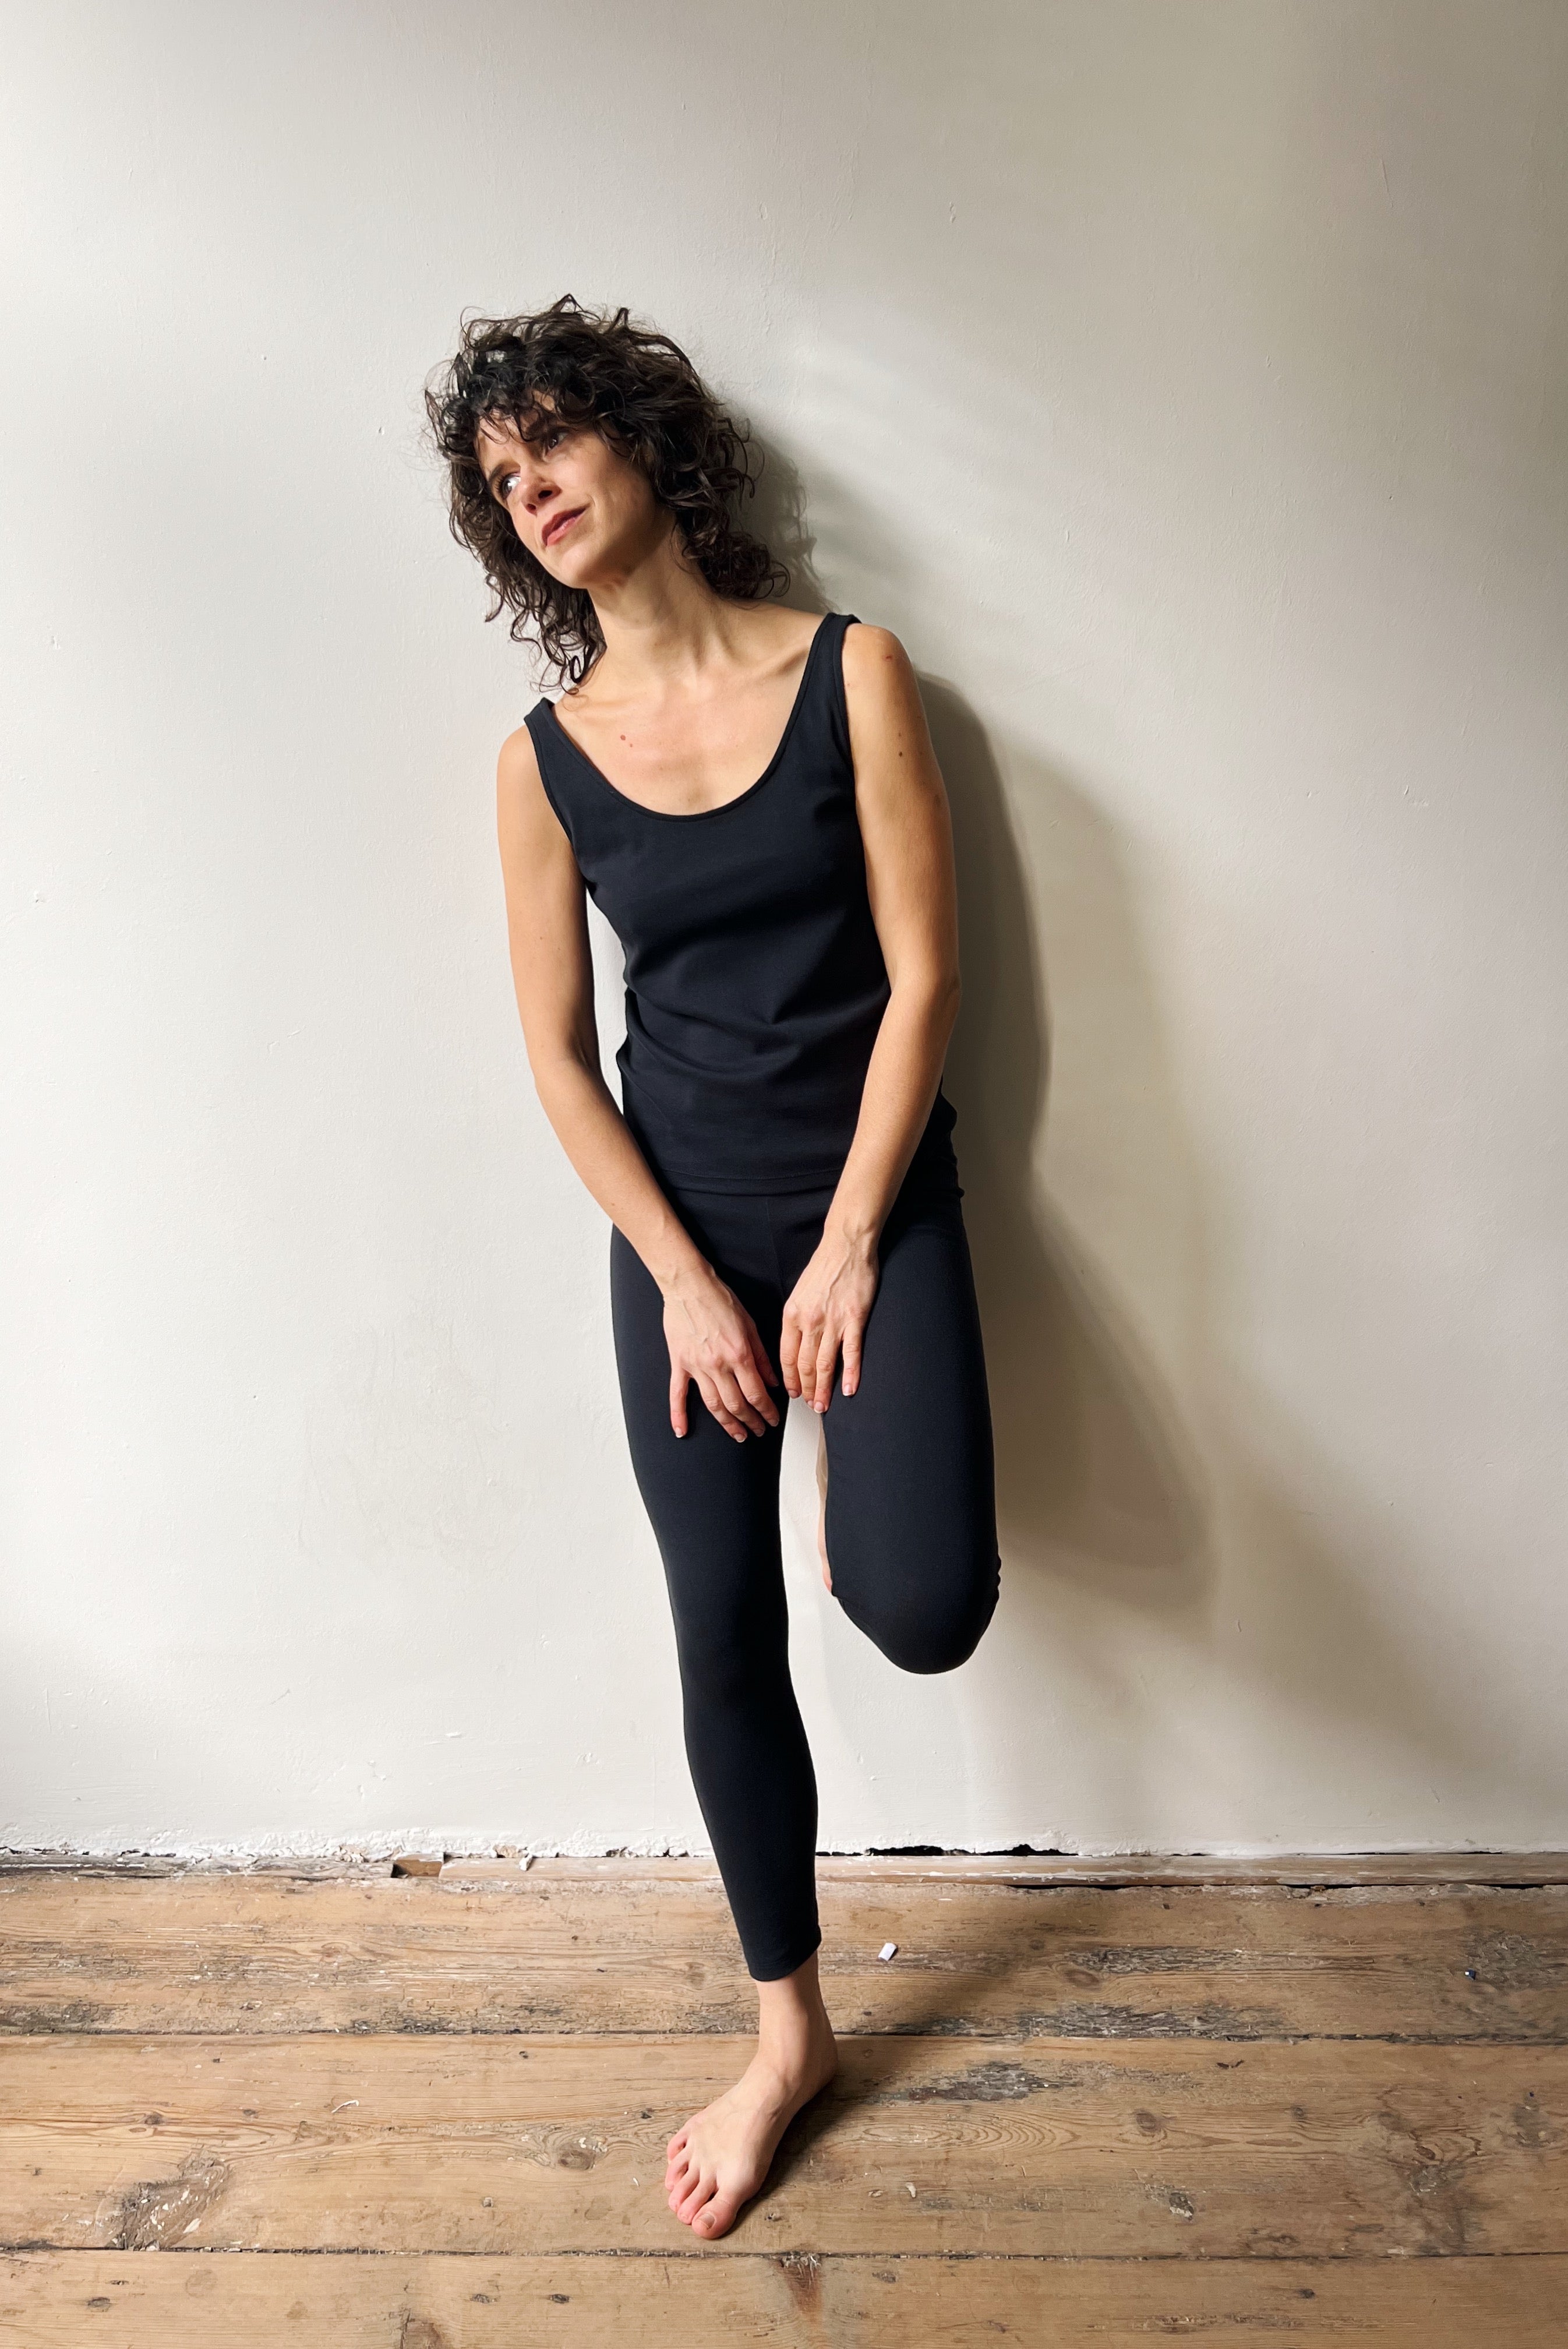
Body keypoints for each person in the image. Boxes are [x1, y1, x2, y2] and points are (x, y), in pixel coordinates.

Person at [425, 295, 1001, 2241]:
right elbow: (558, 1067)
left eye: (554, 444)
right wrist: (683, 1274)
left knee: (916, 1608)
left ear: (646, 447)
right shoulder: (538, 763)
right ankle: (789, 2039)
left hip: (871, 1210)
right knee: (718, 1630)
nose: (534, 491)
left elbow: (926, 979)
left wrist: (846, 1248)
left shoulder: (853, 672)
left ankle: (862, 1447)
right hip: (682, 1240)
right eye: (502, 481)